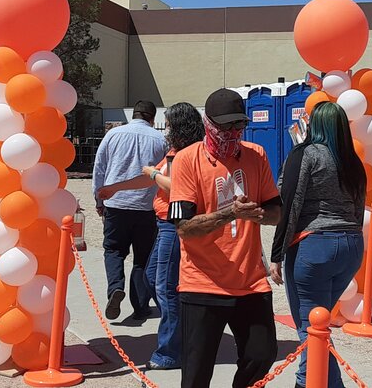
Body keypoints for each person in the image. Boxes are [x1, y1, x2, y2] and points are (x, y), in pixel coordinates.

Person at [168, 88, 282, 388]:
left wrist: (258, 214)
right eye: (225, 126)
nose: (232, 132)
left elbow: (276, 212)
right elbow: (184, 228)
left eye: (238, 125)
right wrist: (231, 213)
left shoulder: (256, 155)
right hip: (201, 283)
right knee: (196, 373)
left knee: (263, 355)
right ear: (208, 124)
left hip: (250, 282)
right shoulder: (186, 160)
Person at [97, 102, 204, 371]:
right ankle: (183, 331)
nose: (165, 128)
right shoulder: (175, 151)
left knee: (165, 287)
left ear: (179, 126)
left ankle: (170, 351)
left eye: (168, 124)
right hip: (162, 221)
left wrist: (154, 174)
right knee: (152, 277)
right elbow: (150, 180)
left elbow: (177, 184)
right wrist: (114, 188)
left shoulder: (189, 153)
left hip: (173, 223)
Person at [270, 101, 366, 388]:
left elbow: (290, 204)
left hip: (314, 245)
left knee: (309, 328)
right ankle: (310, 380)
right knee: (318, 325)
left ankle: (317, 384)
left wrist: (277, 254)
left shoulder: (305, 154)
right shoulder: (354, 161)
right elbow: (358, 209)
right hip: (351, 245)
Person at [92, 100, 168, 321]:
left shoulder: (113, 135)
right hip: (147, 206)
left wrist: (99, 198)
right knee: (142, 257)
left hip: (116, 204)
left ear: (133, 114)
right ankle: (141, 306)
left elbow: (100, 167)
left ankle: (115, 287)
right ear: (152, 118)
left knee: (114, 250)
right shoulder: (159, 139)